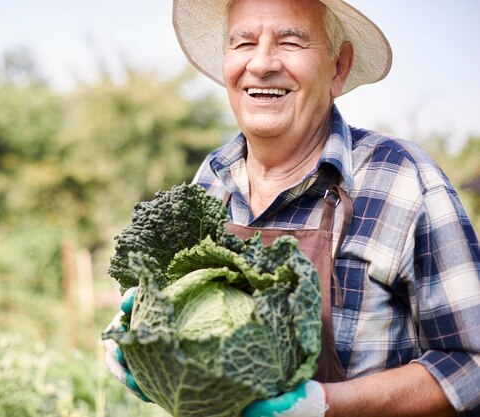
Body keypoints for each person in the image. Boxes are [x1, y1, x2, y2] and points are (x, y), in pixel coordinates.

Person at [105, 0, 480, 416]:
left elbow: (472, 361)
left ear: (338, 67)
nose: (262, 63)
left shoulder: (401, 178)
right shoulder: (212, 179)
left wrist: (329, 406)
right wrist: (142, 342)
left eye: (290, 41)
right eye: (243, 42)